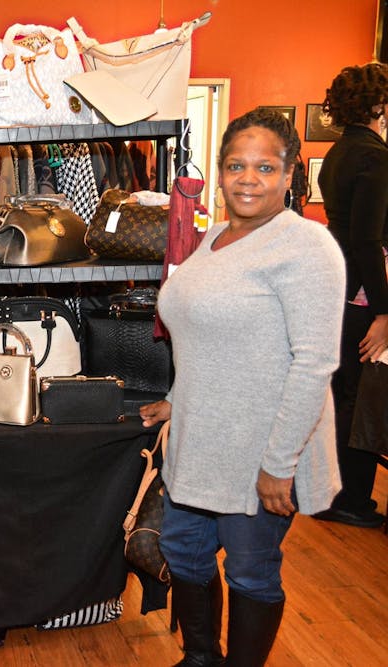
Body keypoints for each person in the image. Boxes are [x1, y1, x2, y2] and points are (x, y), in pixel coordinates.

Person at [139, 108, 345, 666]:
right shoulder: (212, 241)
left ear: (288, 175)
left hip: (261, 446)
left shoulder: (307, 247)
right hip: (202, 438)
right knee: (184, 552)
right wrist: (174, 403)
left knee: (251, 569)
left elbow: (315, 363)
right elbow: (201, 339)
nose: (248, 178)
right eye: (236, 165)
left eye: (265, 167)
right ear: (220, 171)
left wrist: (280, 464)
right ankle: (201, 656)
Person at [313, 62, 388, 528]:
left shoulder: (341, 151)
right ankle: (347, 499)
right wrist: (384, 311)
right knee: (358, 398)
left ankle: (333, 492)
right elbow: (366, 239)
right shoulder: (376, 156)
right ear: (379, 104)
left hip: (338, 282)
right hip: (361, 290)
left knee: (343, 393)